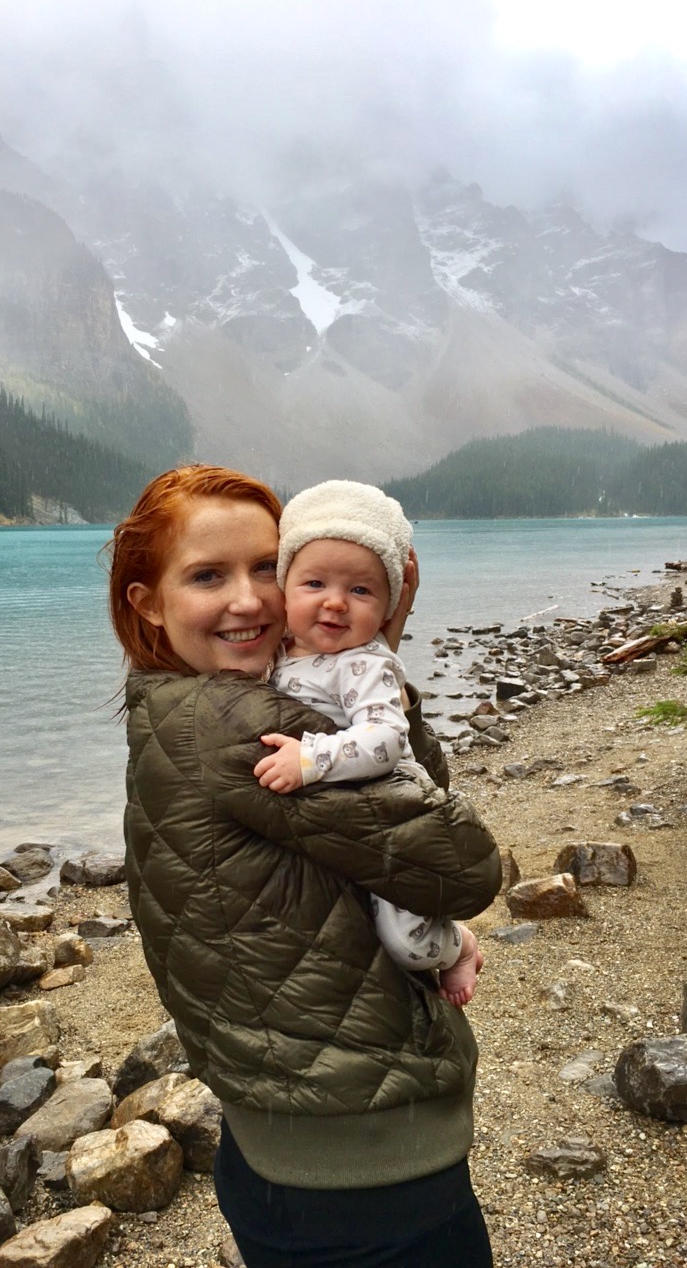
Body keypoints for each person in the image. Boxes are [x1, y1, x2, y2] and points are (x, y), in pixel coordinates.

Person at [107, 463, 501, 1268]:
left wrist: (371, 653)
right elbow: (461, 869)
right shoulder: (241, 728)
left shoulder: (169, 703)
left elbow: (399, 817)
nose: (250, 601)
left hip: (276, 1146)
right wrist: (380, 656)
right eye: (209, 576)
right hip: (365, 1172)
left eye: (266, 568)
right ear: (146, 601)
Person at [254, 479, 483, 1007]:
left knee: (407, 944)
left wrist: (311, 758)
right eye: (314, 583)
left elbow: (383, 738)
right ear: (284, 588)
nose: (335, 603)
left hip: (390, 809)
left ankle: (460, 944)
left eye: (361, 591)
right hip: (344, 810)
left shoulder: (367, 662)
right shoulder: (282, 650)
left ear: (386, 605)